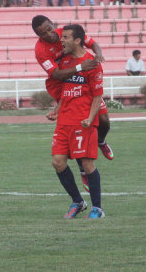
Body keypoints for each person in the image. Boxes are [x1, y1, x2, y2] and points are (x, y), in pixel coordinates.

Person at [32, 15, 114, 192]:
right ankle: (83, 169)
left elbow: (91, 42)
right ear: (38, 36)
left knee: (105, 119)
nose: (50, 34)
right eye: (43, 33)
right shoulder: (41, 50)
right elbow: (55, 74)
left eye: (49, 28)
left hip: (83, 76)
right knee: (75, 125)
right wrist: (79, 68)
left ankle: (101, 141)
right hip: (63, 82)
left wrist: (98, 52)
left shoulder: (67, 33)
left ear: (53, 24)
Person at [52, 24, 105, 219]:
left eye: (66, 37)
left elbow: (98, 96)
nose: (62, 40)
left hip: (83, 121)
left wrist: (90, 119)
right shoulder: (65, 62)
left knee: (87, 164)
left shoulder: (92, 63)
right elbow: (65, 91)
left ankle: (97, 208)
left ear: (77, 40)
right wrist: (57, 109)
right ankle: (77, 201)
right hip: (64, 121)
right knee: (57, 162)